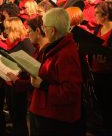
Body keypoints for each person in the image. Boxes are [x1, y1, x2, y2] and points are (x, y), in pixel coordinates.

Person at [29, 8, 83, 136]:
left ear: (52, 31)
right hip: (47, 113)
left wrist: (43, 85)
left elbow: (71, 91)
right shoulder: (56, 47)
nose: (43, 29)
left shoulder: (66, 54)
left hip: (55, 119)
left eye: (44, 26)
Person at [92, 1, 112, 135]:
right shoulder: (98, 29)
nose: (94, 16)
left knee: (111, 107)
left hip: (111, 77)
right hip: (96, 74)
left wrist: (109, 60)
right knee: (100, 107)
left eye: (97, 13)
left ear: (106, 14)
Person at [4, 17, 35, 136]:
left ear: (14, 29)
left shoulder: (25, 43)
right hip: (11, 82)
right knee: (14, 114)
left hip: (20, 82)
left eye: (7, 29)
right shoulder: (13, 43)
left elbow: (31, 63)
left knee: (19, 116)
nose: (5, 32)